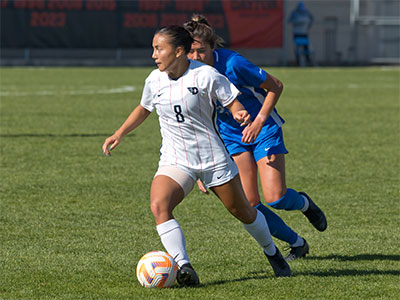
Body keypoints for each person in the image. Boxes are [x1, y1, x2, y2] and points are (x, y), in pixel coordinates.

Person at [102, 25, 291, 286]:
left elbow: (232, 102)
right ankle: (184, 267)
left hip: (212, 159)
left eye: (159, 49)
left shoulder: (206, 76)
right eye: (153, 49)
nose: (154, 55)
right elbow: (144, 108)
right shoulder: (154, 80)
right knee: (159, 206)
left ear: (179, 51)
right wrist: (120, 132)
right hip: (176, 159)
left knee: (244, 212)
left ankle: (272, 253)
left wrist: (239, 113)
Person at [184, 15, 327, 261]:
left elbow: (276, 85)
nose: (196, 58)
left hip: (263, 128)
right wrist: (202, 166)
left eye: (202, 51)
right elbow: (201, 120)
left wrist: (259, 121)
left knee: (276, 197)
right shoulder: (188, 74)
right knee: (250, 205)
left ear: (213, 48)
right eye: (191, 52)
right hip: (231, 137)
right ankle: (297, 243)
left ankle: (304, 203)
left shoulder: (233, 64)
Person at [288, 1, 314, 66]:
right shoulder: (294, 13)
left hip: (304, 33)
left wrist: (308, 27)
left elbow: (312, 19)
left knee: (306, 47)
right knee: (297, 48)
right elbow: (289, 20)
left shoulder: (306, 12)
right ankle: (298, 61)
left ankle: (308, 60)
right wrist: (297, 22)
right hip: (296, 33)